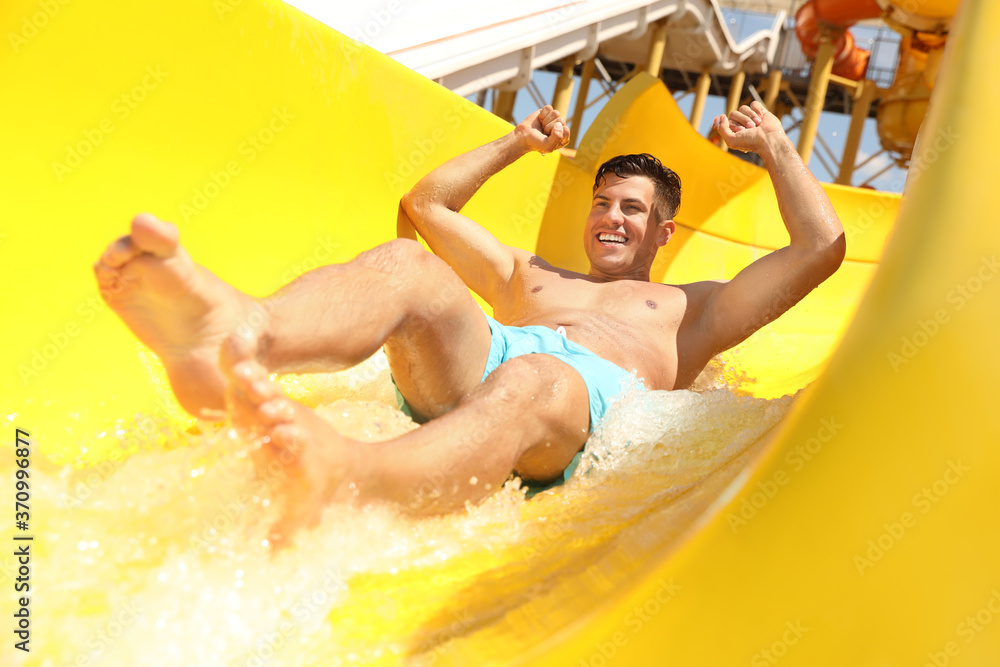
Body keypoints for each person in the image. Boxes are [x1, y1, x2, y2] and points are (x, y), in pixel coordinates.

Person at [94, 101, 844, 545]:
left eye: (633, 210)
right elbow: (427, 206)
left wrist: (777, 146)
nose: (612, 218)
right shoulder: (532, 275)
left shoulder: (693, 310)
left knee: (535, 376)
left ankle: (351, 475)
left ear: (663, 234)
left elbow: (820, 249)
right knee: (406, 264)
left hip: (573, 400)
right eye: (604, 203)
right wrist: (518, 142)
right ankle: (240, 330)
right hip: (488, 358)